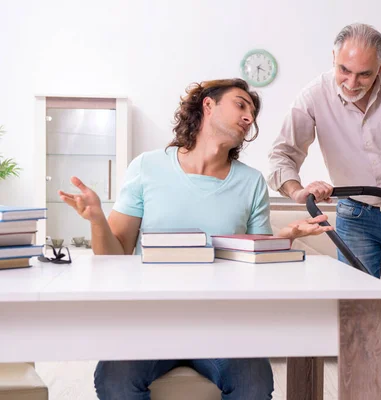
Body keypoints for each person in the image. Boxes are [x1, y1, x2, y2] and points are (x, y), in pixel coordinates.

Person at [59, 78, 333, 400]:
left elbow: (258, 264)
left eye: (252, 113)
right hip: (150, 321)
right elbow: (114, 258)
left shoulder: (251, 182)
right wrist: (96, 220)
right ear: (208, 105)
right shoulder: (148, 167)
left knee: (254, 383)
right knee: (114, 379)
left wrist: (285, 235)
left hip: (223, 324)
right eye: (241, 105)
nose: (249, 118)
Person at [267, 24, 381, 399]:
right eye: (344, 71)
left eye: (364, 73)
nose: (351, 82)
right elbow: (281, 155)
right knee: (355, 315)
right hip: (355, 214)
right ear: (333, 60)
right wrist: (297, 190)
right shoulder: (314, 95)